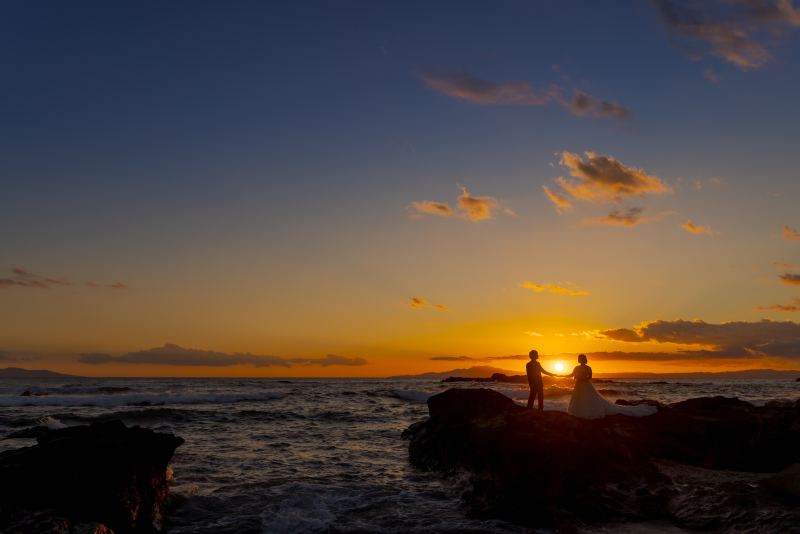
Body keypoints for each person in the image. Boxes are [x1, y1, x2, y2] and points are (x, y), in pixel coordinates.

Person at [563, 354, 656, 419]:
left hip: (585, 385)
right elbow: (571, 375)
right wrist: (559, 375)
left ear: (584, 359)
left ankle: (587, 413)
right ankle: (576, 413)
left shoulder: (588, 368)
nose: (579, 360)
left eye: (580, 358)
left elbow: (589, 377)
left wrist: (582, 378)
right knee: (578, 398)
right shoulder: (576, 367)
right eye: (578, 358)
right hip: (578, 385)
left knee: (587, 399)